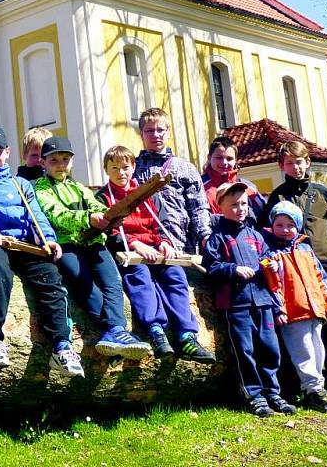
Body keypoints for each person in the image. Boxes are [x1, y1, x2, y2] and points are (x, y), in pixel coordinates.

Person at [0, 126, 83, 377]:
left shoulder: (21, 184)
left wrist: (48, 239)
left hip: (23, 243)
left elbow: (35, 214)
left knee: (50, 276)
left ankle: (62, 346)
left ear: (8, 152)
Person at [258, 141, 327, 396]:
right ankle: (299, 378)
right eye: (289, 163)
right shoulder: (278, 197)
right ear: (281, 166)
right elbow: (268, 232)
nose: (295, 167)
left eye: (299, 162)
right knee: (300, 324)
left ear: (308, 163)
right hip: (294, 267)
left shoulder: (322, 193)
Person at [34, 137, 151, 359]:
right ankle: (113, 330)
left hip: (93, 242)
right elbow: (56, 214)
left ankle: (116, 330)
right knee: (82, 282)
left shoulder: (79, 187)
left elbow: (98, 205)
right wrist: (90, 218)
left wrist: (110, 216)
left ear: (72, 161)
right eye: (54, 160)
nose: (60, 165)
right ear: (43, 163)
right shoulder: (40, 188)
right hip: (66, 243)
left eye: (65, 159)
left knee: (113, 281)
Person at [97, 145, 215, 363]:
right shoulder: (103, 197)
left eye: (125, 167)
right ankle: (156, 330)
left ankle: (186, 335)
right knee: (140, 278)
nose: (121, 173)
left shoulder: (146, 193)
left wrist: (165, 243)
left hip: (154, 249)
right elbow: (108, 233)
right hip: (130, 251)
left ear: (133, 167)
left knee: (175, 276)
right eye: (115, 168)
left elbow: (161, 225)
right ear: (106, 169)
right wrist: (134, 245)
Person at [203, 182, 296, 417]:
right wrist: (233, 270)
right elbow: (211, 267)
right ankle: (254, 396)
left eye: (243, 203)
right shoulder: (217, 238)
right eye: (234, 205)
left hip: (263, 301)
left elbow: (266, 257)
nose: (240, 208)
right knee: (245, 350)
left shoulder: (256, 235)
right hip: (237, 303)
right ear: (219, 205)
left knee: (269, 348)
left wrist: (271, 264)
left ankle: (273, 392)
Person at [262, 201, 327, 414]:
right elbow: (272, 285)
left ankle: (315, 388)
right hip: (293, 312)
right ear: (272, 226)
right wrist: (278, 308)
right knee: (303, 352)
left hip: (315, 309)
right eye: (279, 225)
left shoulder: (306, 248)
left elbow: (320, 277)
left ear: (298, 226)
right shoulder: (270, 252)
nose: (285, 229)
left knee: (318, 350)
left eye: (290, 225)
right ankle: (313, 391)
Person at [134, 108, 211, 254]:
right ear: (141, 134)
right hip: (146, 246)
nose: (155, 135)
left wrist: (205, 236)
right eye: (149, 130)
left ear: (168, 133)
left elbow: (198, 207)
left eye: (160, 130)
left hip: (181, 245)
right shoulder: (132, 168)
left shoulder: (185, 168)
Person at [202, 136, 266, 226]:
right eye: (219, 158)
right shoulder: (200, 187)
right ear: (209, 157)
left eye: (229, 159)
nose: (224, 162)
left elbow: (266, 215)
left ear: (236, 160)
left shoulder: (248, 187)